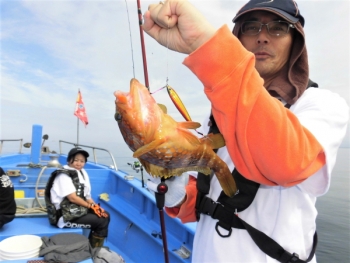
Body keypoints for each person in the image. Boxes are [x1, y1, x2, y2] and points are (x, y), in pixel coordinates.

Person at [143, 0, 349, 262]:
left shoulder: (320, 104)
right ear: (238, 38)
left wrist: (207, 45)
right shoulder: (221, 111)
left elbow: (286, 163)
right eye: (251, 27)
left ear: (295, 41)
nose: (262, 37)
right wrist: (178, 194)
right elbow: (211, 198)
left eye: (278, 28)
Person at [45, 147, 110, 248]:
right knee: (101, 222)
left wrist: (96, 207)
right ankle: (95, 250)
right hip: (63, 216)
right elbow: (72, 198)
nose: (79, 163)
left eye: (82, 161)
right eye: (76, 160)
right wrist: (90, 207)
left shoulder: (82, 172)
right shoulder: (63, 175)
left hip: (76, 210)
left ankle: (91, 245)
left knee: (105, 215)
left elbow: (87, 196)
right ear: (69, 160)